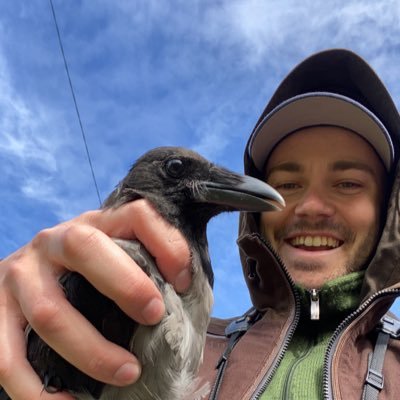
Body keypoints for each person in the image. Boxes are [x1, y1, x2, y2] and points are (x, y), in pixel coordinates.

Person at [1, 48, 399, 400]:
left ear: (387, 210)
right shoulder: (163, 312)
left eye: (347, 183)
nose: (312, 206)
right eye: (289, 184)